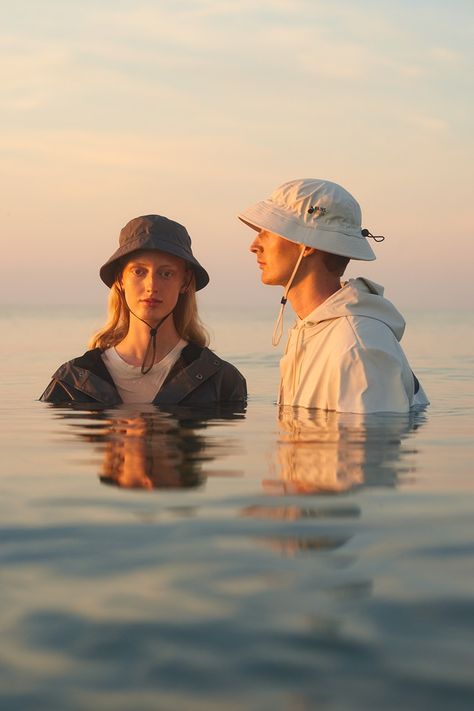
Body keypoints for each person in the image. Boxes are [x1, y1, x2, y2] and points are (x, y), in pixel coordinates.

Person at [238, 178, 428, 414]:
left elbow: (369, 447)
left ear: (306, 245)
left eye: (266, 232)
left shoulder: (357, 348)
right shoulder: (315, 331)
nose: (254, 245)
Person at [40, 215, 246, 406]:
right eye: (138, 271)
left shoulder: (221, 380)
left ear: (185, 281)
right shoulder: (73, 380)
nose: (151, 286)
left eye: (166, 273)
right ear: (120, 279)